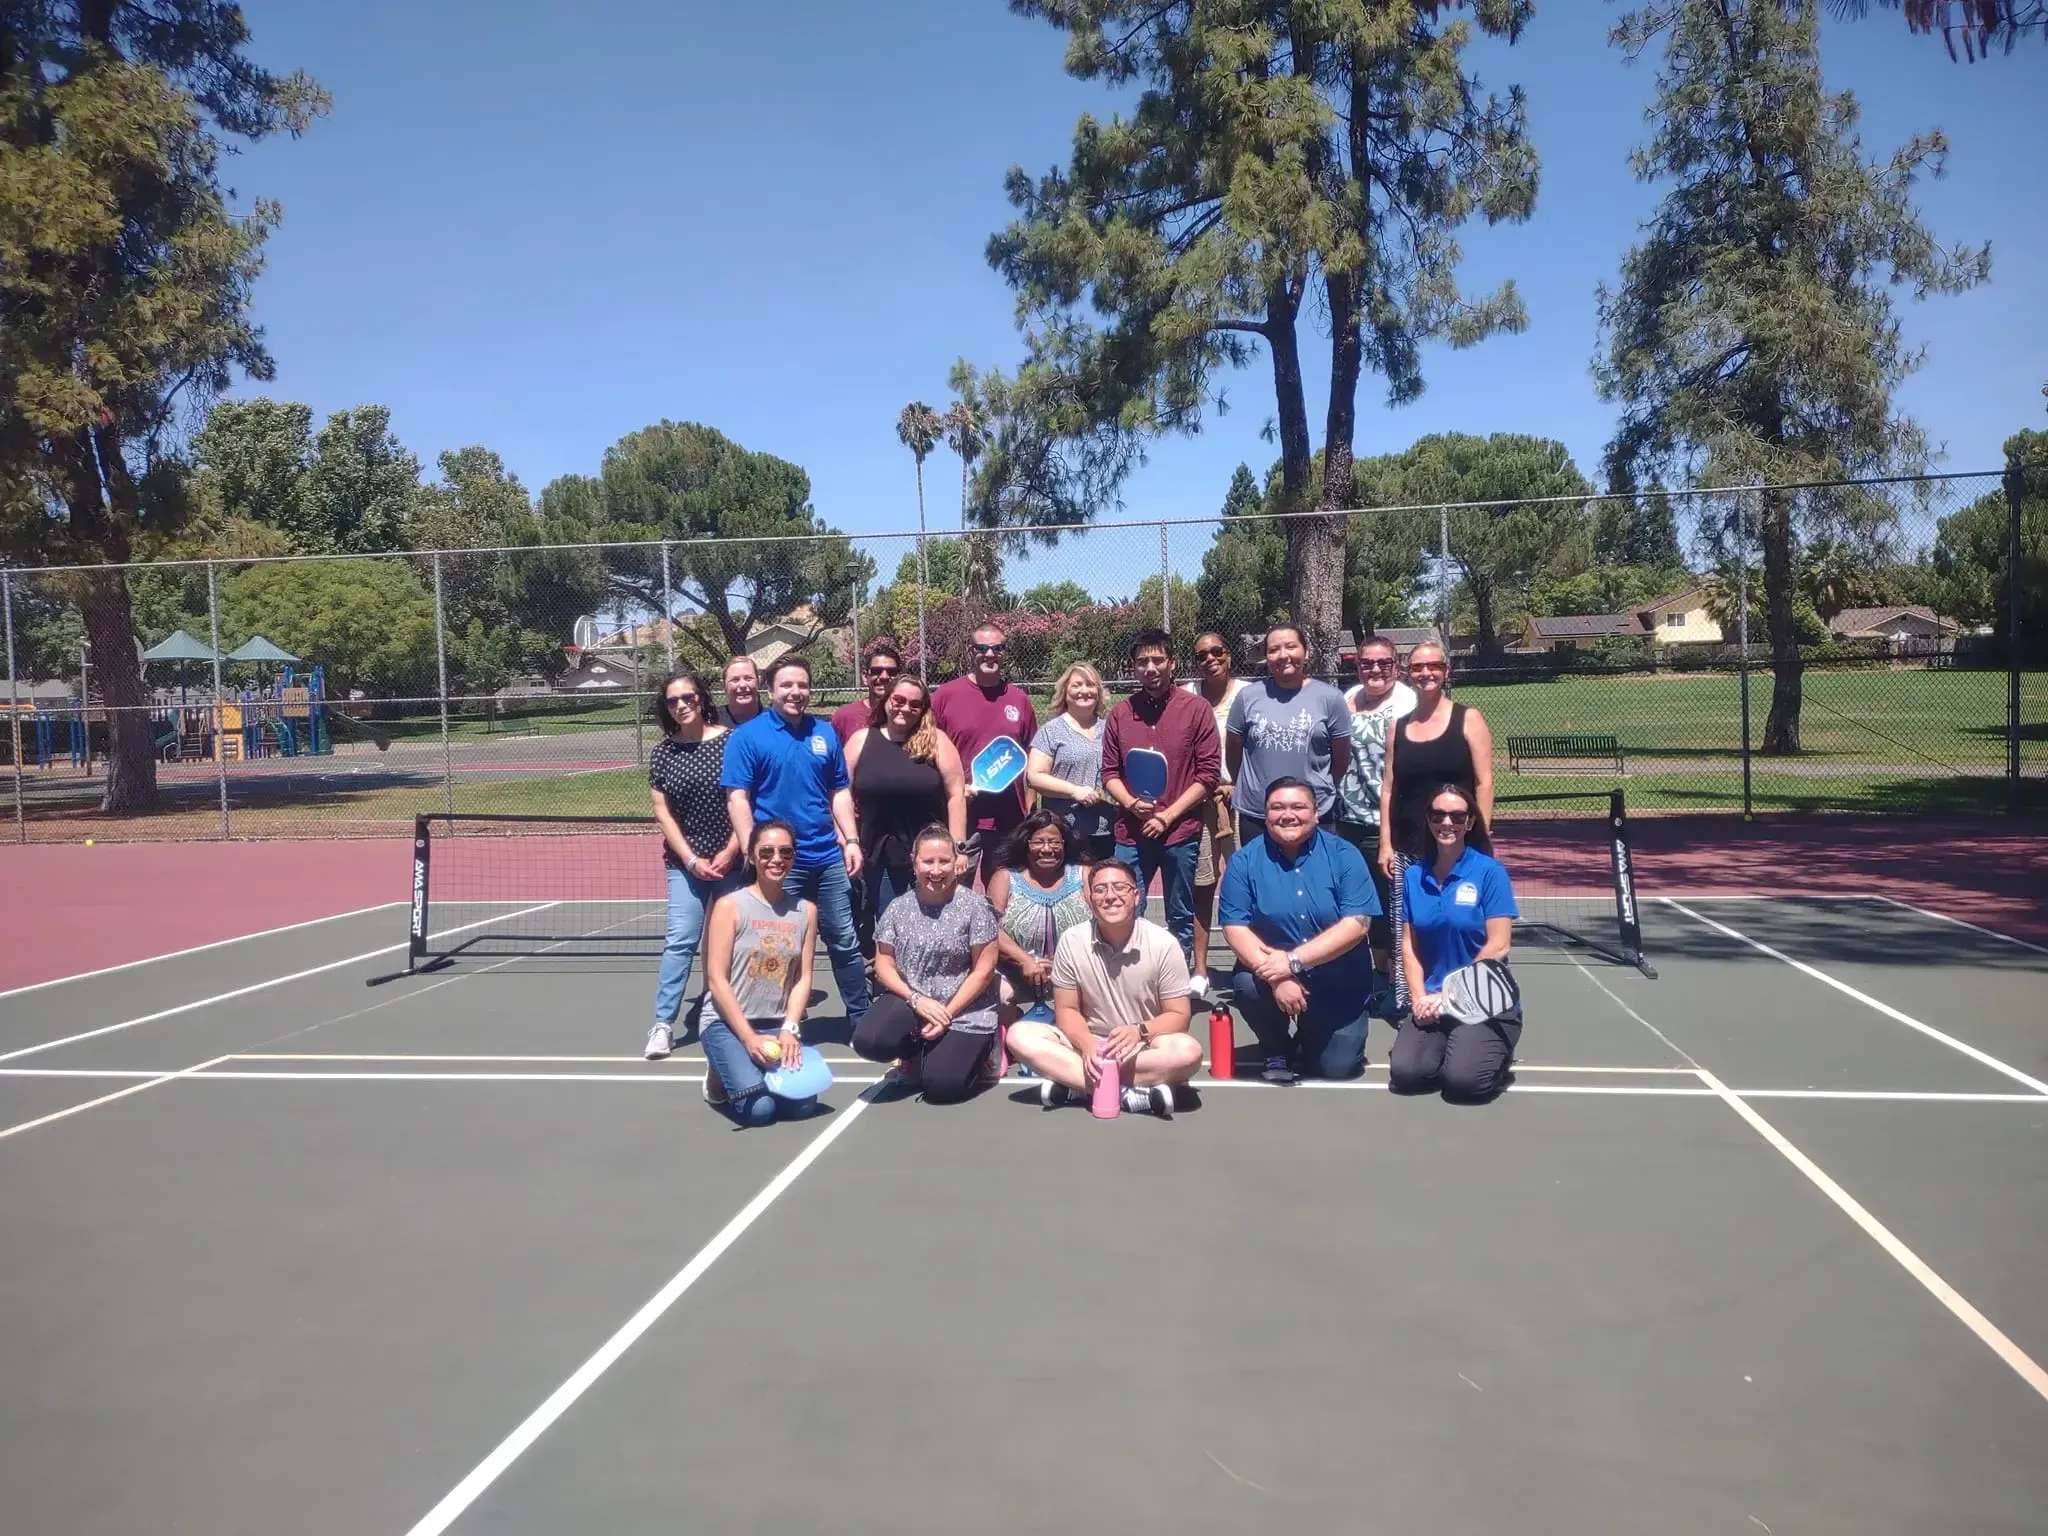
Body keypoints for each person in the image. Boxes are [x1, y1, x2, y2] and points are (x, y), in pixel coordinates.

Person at [721, 655, 870, 1026]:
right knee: (779, 946)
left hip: (827, 859)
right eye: (786, 685)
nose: (795, 692)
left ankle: (860, 1017)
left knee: (845, 941)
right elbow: (737, 797)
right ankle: (780, 1021)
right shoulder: (747, 737)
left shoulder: (824, 734)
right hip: (780, 863)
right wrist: (749, 849)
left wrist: (850, 840)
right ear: (770, 690)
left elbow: (839, 792)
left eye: (802, 685)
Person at [1005, 859, 1204, 1116]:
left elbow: (1179, 1016)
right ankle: (1130, 1091)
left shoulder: (1164, 944)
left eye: (1119, 887)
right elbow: (1066, 1010)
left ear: (1135, 896)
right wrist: (1088, 1044)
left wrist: (1140, 1031)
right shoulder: (1072, 940)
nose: (1110, 896)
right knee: (1019, 1036)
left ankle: (1079, 1084)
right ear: (1089, 899)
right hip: (1086, 1043)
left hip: (1143, 1045)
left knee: (1188, 1052)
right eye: (1100, 890)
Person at [1220, 777, 1380, 1084]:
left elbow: (1357, 925)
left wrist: (1294, 960)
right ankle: (1275, 1046)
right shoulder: (1244, 862)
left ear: (1316, 813)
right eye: (1277, 807)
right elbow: (1234, 927)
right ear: (1265, 814)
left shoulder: (1344, 855)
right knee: (1247, 984)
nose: (1287, 814)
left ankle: (1312, 1033)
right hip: (1271, 975)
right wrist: (1278, 975)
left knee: (1337, 1068)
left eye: (1298, 807)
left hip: (1338, 977)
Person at [1376, 640, 1495, 1015]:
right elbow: (1389, 788)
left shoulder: (1468, 719)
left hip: (1457, 850)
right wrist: (1385, 843)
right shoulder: (1398, 727)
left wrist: (1479, 837)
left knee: (1460, 925)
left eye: (1434, 666)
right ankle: (1412, 1004)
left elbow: (1485, 782)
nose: (1426, 673)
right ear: (1407, 673)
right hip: (1410, 849)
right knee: (1408, 932)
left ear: (1447, 671)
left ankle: (1470, 999)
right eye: (1417, 667)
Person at [1388, 781, 1520, 1099]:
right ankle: (1451, 1046)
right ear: (1428, 820)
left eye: (1457, 816)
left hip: (1483, 1002)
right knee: (1406, 1075)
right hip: (1432, 1003)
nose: (1447, 823)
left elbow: (1499, 945)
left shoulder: (1490, 872)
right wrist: (1419, 999)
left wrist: (1452, 995)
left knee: (1464, 1083)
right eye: (1438, 815)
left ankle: (1494, 1054)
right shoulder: (1413, 876)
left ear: (1470, 822)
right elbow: (1409, 944)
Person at [853, 825, 1003, 1101]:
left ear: (956, 862)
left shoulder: (976, 908)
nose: (936, 870)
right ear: (914, 862)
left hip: (965, 1006)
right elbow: (884, 964)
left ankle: (989, 1048)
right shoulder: (898, 908)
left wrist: (946, 1012)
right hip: (914, 1000)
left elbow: (983, 970)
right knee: (869, 1042)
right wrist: (915, 1000)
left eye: (944, 861)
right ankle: (915, 1049)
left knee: (941, 1086)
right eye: (928, 861)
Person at [1101, 628, 1219, 972]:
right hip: (1130, 834)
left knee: (1180, 913)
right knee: (1124, 909)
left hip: (1180, 834)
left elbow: (1208, 775)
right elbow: (1110, 772)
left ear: (1172, 662)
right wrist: (1132, 805)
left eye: (1157, 659)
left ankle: (1175, 981)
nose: (1150, 667)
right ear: (1133, 668)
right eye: (1142, 662)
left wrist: (1168, 817)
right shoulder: (1121, 714)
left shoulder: (1196, 710)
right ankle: (1127, 977)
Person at [698, 820, 821, 1126]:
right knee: (760, 1111)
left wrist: (790, 1027)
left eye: (785, 852)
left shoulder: (805, 911)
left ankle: (745, 1068)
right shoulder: (729, 906)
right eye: (766, 851)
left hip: (776, 1026)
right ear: (752, 856)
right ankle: (719, 1077)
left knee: (802, 1106)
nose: (776, 859)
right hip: (727, 1023)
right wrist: (748, 1038)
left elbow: (803, 977)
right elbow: (716, 979)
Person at [645, 670, 741, 1060]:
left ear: (702, 699)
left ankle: (733, 1013)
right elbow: (662, 813)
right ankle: (663, 1024)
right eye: (673, 701)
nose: (682, 705)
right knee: (681, 941)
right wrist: (689, 858)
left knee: (734, 943)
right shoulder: (662, 753)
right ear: (666, 707)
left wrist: (733, 850)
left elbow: (743, 800)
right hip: (684, 865)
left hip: (732, 863)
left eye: (689, 697)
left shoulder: (732, 743)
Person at [846, 673, 967, 920]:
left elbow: (956, 795)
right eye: (899, 700)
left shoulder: (936, 741)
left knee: (935, 922)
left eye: (915, 704)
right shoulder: (861, 740)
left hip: (930, 857)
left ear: (923, 708)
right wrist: (848, 840)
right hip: (877, 854)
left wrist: (958, 848)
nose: (906, 708)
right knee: (889, 924)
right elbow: (840, 794)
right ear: (887, 700)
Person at [1334, 635, 1417, 998]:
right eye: (1367, 663)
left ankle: (1399, 982)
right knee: (1355, 903)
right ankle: (1374, 976)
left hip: (1388, 823)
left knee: (1391, 905)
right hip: (1344, 819)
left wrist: (1388, 833)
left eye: (1384, 663)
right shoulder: (1347, 699)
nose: (1375, 669)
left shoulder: (1408, 702)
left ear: (1396, 667)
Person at [1225, 623, 1352, 846]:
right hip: (1257, 815)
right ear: (1266, 657)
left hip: (1315, 814)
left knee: (1315, 879)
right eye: (1274, 650)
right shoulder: (1247, 697)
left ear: (1306, 652)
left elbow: (1340, 760)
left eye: (1291, 647)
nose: (1283, 655)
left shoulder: (1330, 698)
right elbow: (1234, 750)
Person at [930, 622, 1036, 885]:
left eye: (997, 648)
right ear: (971, 651)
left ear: (1005, 652)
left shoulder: (1019, 699)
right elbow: (927, 751)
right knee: (953, 893)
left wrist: (1030, 813)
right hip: (961, 819)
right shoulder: (945, 696)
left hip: (1008, 821)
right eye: (982, 648)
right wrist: (952, 791)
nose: (990, 654)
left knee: (1002, 899)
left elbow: (1031, 761)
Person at [1184, 631, 1246, 1005]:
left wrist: (1239, 785)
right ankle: (1200, 970)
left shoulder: (1247, 694)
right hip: (1199, 800)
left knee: (1244, 882)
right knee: (1202, 884)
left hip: (1243, 800)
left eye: (1217, 652)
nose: (1209, 659)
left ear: (1229, 656)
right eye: (1201, 655)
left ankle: (1247, 960)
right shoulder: (1187, 695)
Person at [986, 810, 1092, 1025]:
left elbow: (1103, 923)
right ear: (1026, 844)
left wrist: (1063, 963)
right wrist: (1025, 960)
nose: (1046, 849)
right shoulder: (1005, 877)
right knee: (1001, 996)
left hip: (1076, 971)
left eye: (1054, 842)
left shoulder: (1084, 875)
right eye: (1038, 842)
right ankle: (1007, 1046)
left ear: (1064, 844)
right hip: (1016, 972)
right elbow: (990, 928)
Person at [1026, 662, 1113, 860]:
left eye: (1091, 685)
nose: (1084, 690)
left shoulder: (1109, 728)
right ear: (1065, 691)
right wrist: (1075, 791)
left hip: (1106, 829)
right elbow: (1034, 776)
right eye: (1077, 685)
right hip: (1065, 830)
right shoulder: (1052, 730)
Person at [831, 639, 901, 746]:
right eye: (876, 671)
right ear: (865, 676)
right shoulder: (844, 717)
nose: (884, 677)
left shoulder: (906, 716)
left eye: (891, 672)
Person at [718, 656, 764, 729]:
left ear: (758, 681)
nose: (743, 685)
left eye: (748, 678)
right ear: (723, 685)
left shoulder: (774, 719)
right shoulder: (712, 719)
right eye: (735, 680)